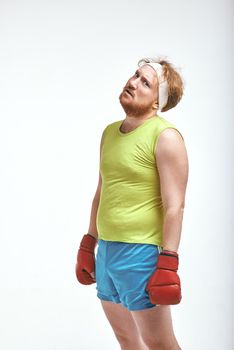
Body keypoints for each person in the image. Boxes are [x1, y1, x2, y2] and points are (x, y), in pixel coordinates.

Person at [76, 57, 189, 350]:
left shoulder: (165, 137)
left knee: (159, 343)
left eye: (145, 82)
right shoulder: (110, 133)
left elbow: (174, 205)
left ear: (157, 102)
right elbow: (102, 191)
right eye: (136, 75)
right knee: (127, 340)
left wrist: (168, 261)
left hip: (141, 255)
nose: (133, 82)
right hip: (107, 253)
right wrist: (89, 242)